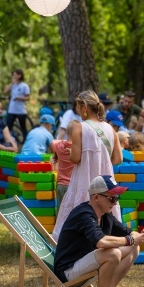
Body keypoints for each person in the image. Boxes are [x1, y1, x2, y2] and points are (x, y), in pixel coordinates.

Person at [54, 175, 144, 287]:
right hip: (69, 271)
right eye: (111, 198)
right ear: (96, 197)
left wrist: (139, 236)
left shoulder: (105, 214)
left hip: (84, 265)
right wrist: (131, 239)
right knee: (112, 253)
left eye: (116, 198)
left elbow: (125, 231)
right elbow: (101, 241)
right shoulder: (84, 214)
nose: (115, 202)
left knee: (133, 248)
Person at [52, 90, 123, 242]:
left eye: (78, 107)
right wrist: (102, 158)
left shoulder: (80, 128)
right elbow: (118, 158)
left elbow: (75, 158)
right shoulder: (110, 129)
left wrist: (72, 153)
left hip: (85, 180)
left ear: (84, 107)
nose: (77, 110)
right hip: (106, 181)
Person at [52, 121, 76, 216]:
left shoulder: (58, 146)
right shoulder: (78, 148)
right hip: (73, 186)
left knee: (61, 214)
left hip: (60, 185)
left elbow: (53, 143)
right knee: (73, 214)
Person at [3, 69, 30, 139]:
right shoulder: (12, 85)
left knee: (23, 126)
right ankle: (8, 140)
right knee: (8, 126)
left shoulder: (25, 86)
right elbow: (5, 91)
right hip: (12, 109)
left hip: (21, 110)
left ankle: (25, 140)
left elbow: (28, 97)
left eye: (15, 75)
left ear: (19, 75)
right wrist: (12, 83)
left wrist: (20, 98)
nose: (14, 76)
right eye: (13, 75)